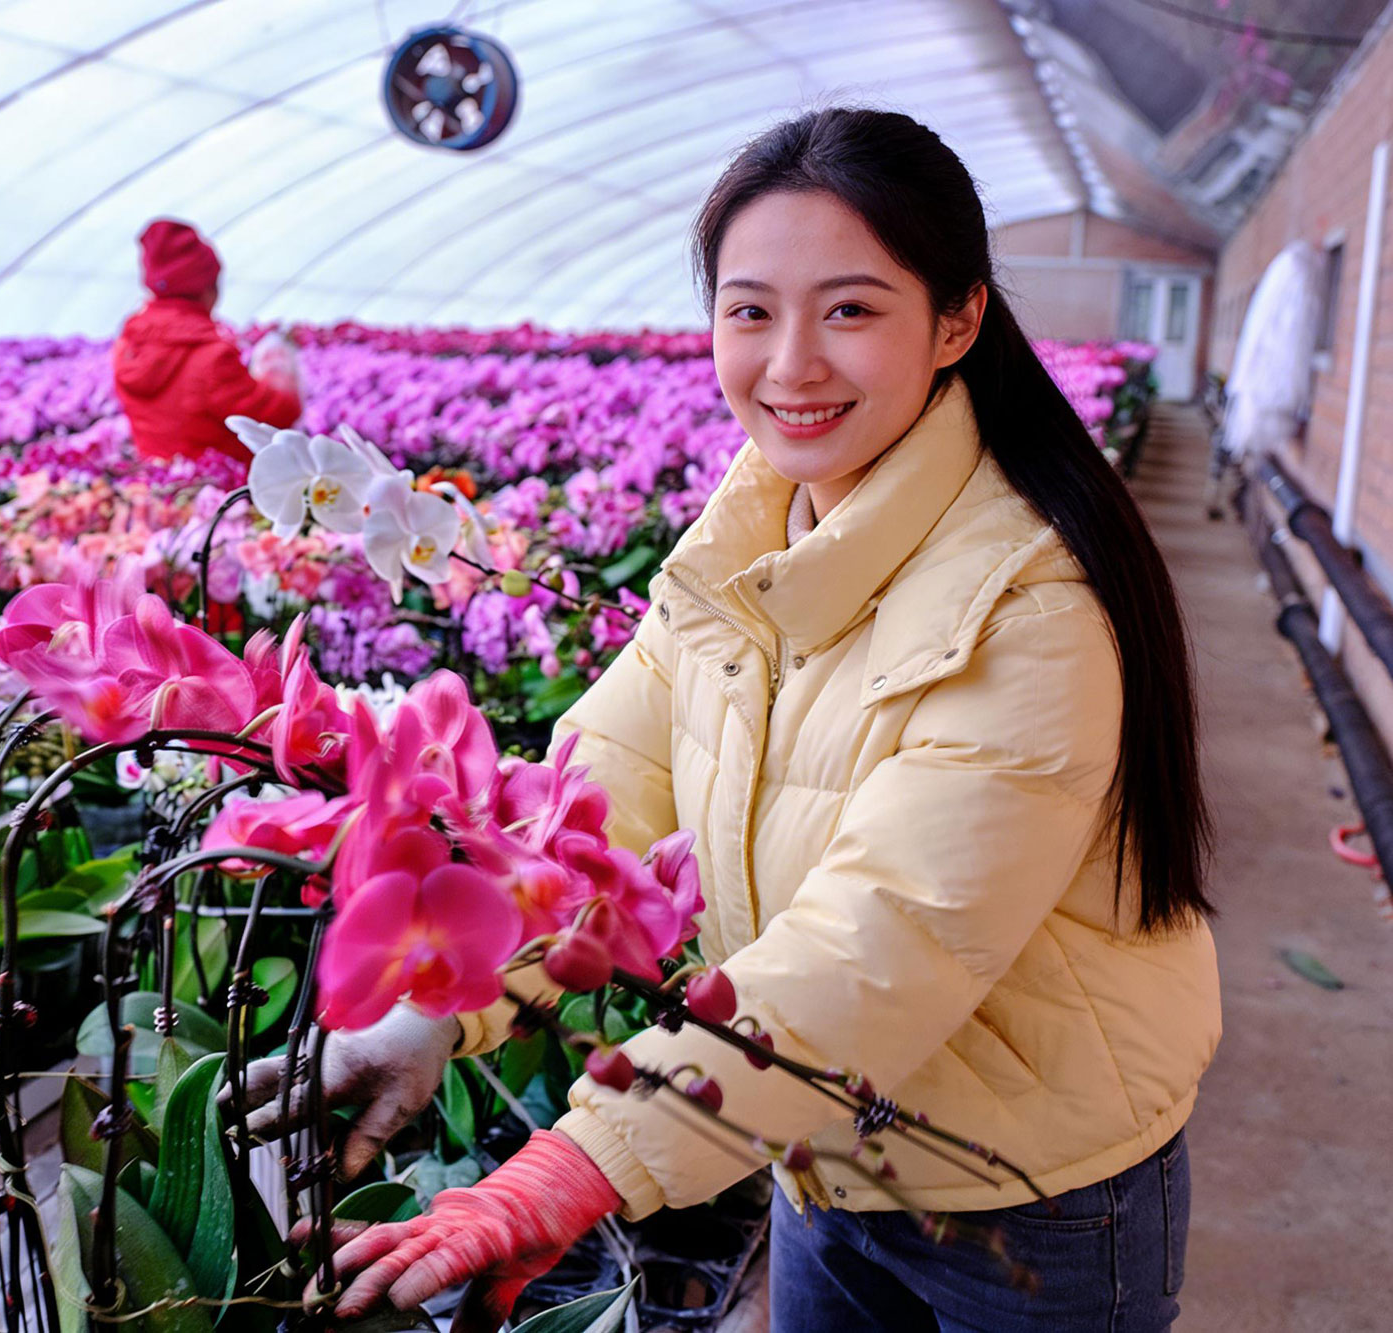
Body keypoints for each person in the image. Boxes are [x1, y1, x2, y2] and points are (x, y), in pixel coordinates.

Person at [234, 108, 1221, 1332]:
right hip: (816, 1144)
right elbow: (599, 790)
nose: (790, 364)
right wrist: (436, 999)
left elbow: (880, 945)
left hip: (1030, 1189)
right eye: (749, 310)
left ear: (956, 320)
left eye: (850, 310)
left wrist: (560, 1172)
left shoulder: (1027, 606)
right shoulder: (752, 538)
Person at [112, 218, 302, 468]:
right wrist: (280, 376)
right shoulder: (211, 356)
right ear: (206, 287)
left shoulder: (127, 345)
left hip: (158, 486)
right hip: (220, 493)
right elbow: (274, 416)